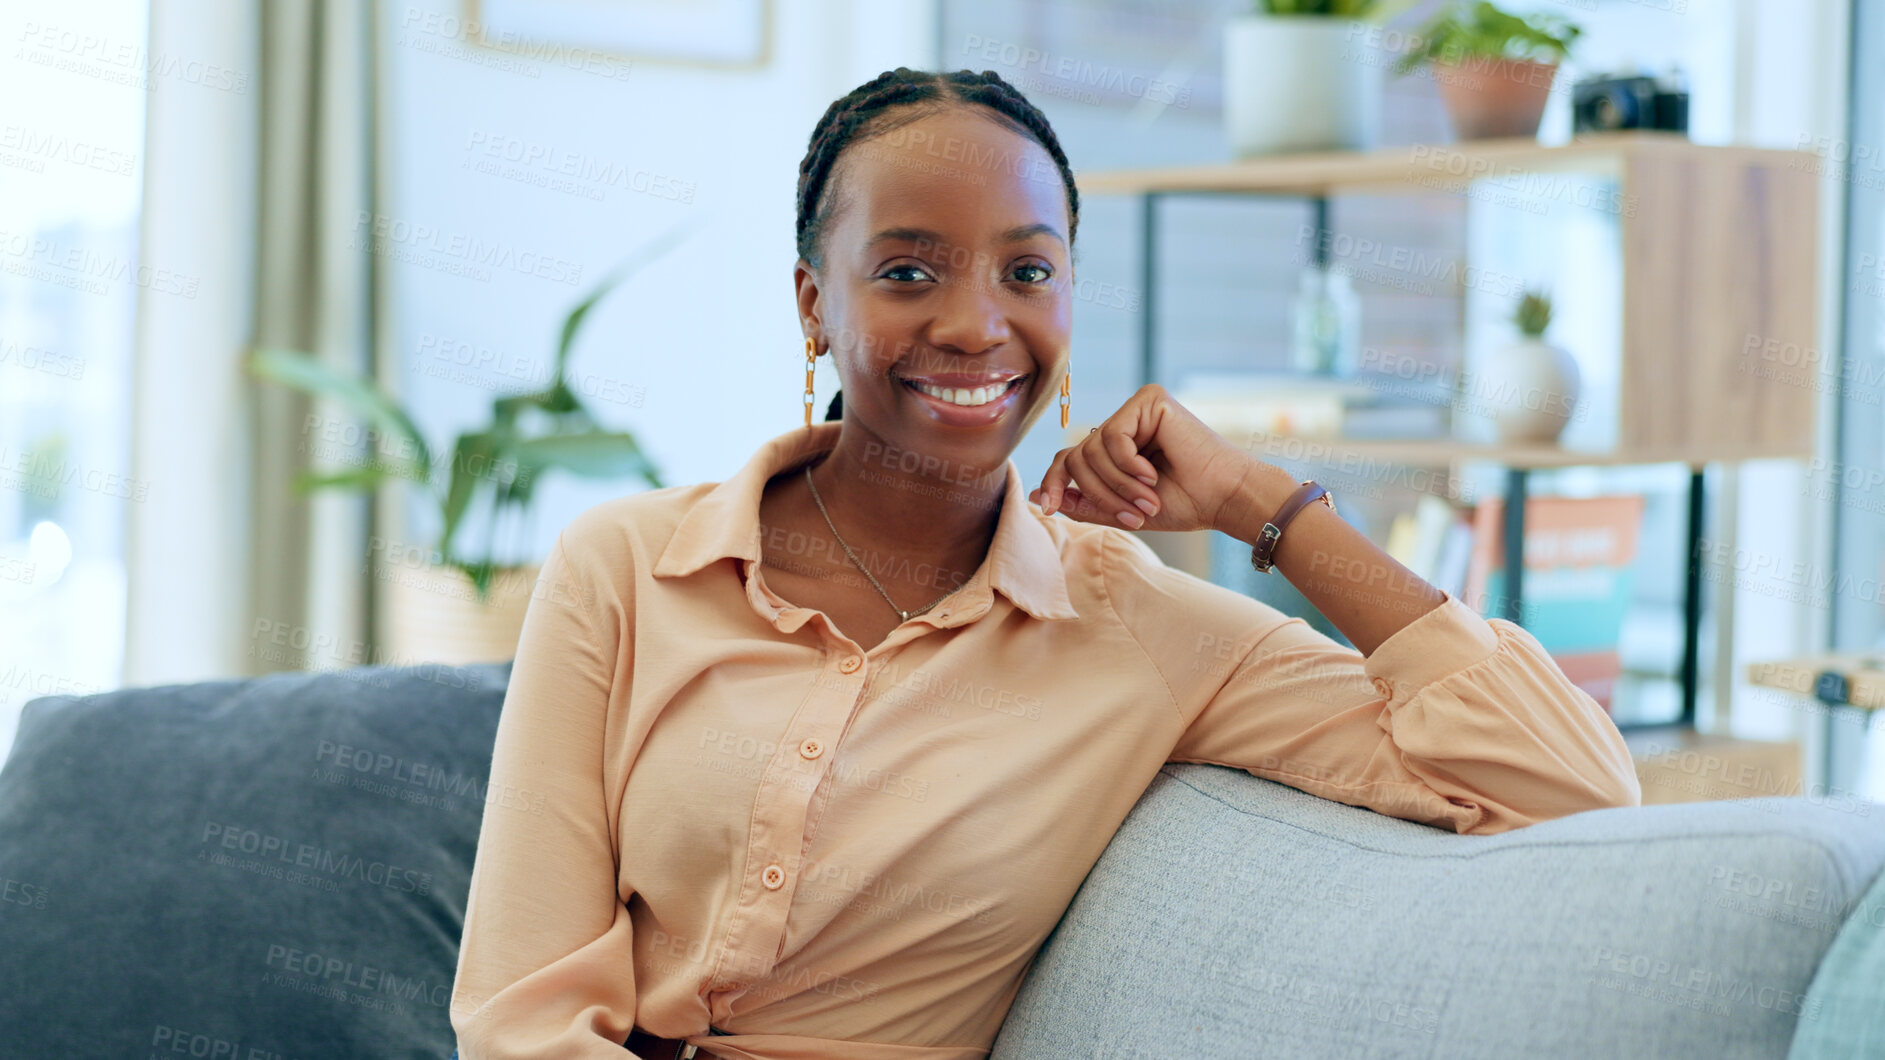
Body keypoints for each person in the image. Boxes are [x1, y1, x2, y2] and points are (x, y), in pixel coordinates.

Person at [448, 67, 1641, 1060]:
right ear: (814, 304)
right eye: (908, 270)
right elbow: (520, 1008)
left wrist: (1261, 504)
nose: (975, 324)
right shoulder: (622, 566)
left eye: (1026, 271)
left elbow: (1566, 783)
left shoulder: (1139, 627)